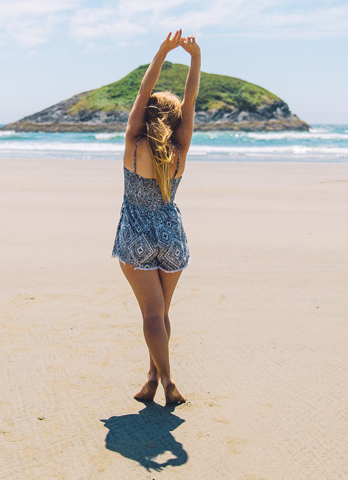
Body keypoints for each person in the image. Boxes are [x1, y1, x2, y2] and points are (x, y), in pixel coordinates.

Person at [112, 30, 201, 405]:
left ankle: (167, 381)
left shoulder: (135, 143)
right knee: (162, 313)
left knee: (151, 314)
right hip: (171, 235)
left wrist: (162, 52)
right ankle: (152, 378)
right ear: (176, 118)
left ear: (146, 114)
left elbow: (139, 95)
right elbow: (191, 99)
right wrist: (196, 58)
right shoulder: (180, 148)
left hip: (136, 234)